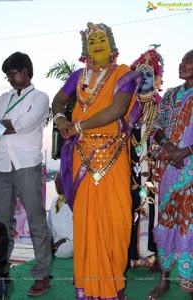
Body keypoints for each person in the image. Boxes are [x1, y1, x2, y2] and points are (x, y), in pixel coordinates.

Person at [52, 22, 142, 300]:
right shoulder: (78, 77)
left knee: (117, 222)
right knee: (87, 223)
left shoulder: (123, 74)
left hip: (113, 157)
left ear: (112, 45)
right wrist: (61, 119)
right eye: (91, 42)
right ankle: (91, 289)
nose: (97, 44)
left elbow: (116, 110)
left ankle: (113, 287)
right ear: (85, 50)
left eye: (102, 39)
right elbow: (58, 101)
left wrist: (78, 126)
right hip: (83, 157)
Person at [0, 52, 52, 297]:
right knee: (1, 222)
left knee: (37, 219)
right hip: (1, 165)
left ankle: (42, 274)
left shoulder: (40, 97)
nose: (9, 79)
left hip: (27, 164)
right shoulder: (2, 98)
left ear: (26, 71)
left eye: (13, 73)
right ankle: (1, 269)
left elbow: (24, 124)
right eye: (7, 75)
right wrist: (7, 125)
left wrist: (6, 124)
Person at [146, 49, 193, 300]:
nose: (182, 64)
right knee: (165, 223)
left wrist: (186, 150)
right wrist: (169, 147)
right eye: (182, 60)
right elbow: (156, 127)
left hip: (191, 171)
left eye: (189, 61)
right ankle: (164, 280)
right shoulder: (172, 95)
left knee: (190, 226)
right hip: (170, 171)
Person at [128, 45, 164, 271]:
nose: (143, 78)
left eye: (149, 74)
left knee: (153, 208)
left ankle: (153, 253)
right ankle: (131, 253)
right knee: (130, 207)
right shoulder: (127, 106)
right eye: (139, 73)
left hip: (153, 168)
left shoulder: (161, 106)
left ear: (158, 79)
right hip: (129, 167)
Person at [48, 172, 73, 258]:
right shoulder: (55, 201)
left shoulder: (76, 202)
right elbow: (50, 225)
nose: (58, 184)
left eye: (60, 181)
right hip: (58, 237)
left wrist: (61, 242)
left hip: (72, 239)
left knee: (63, 251)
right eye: (56, 182)